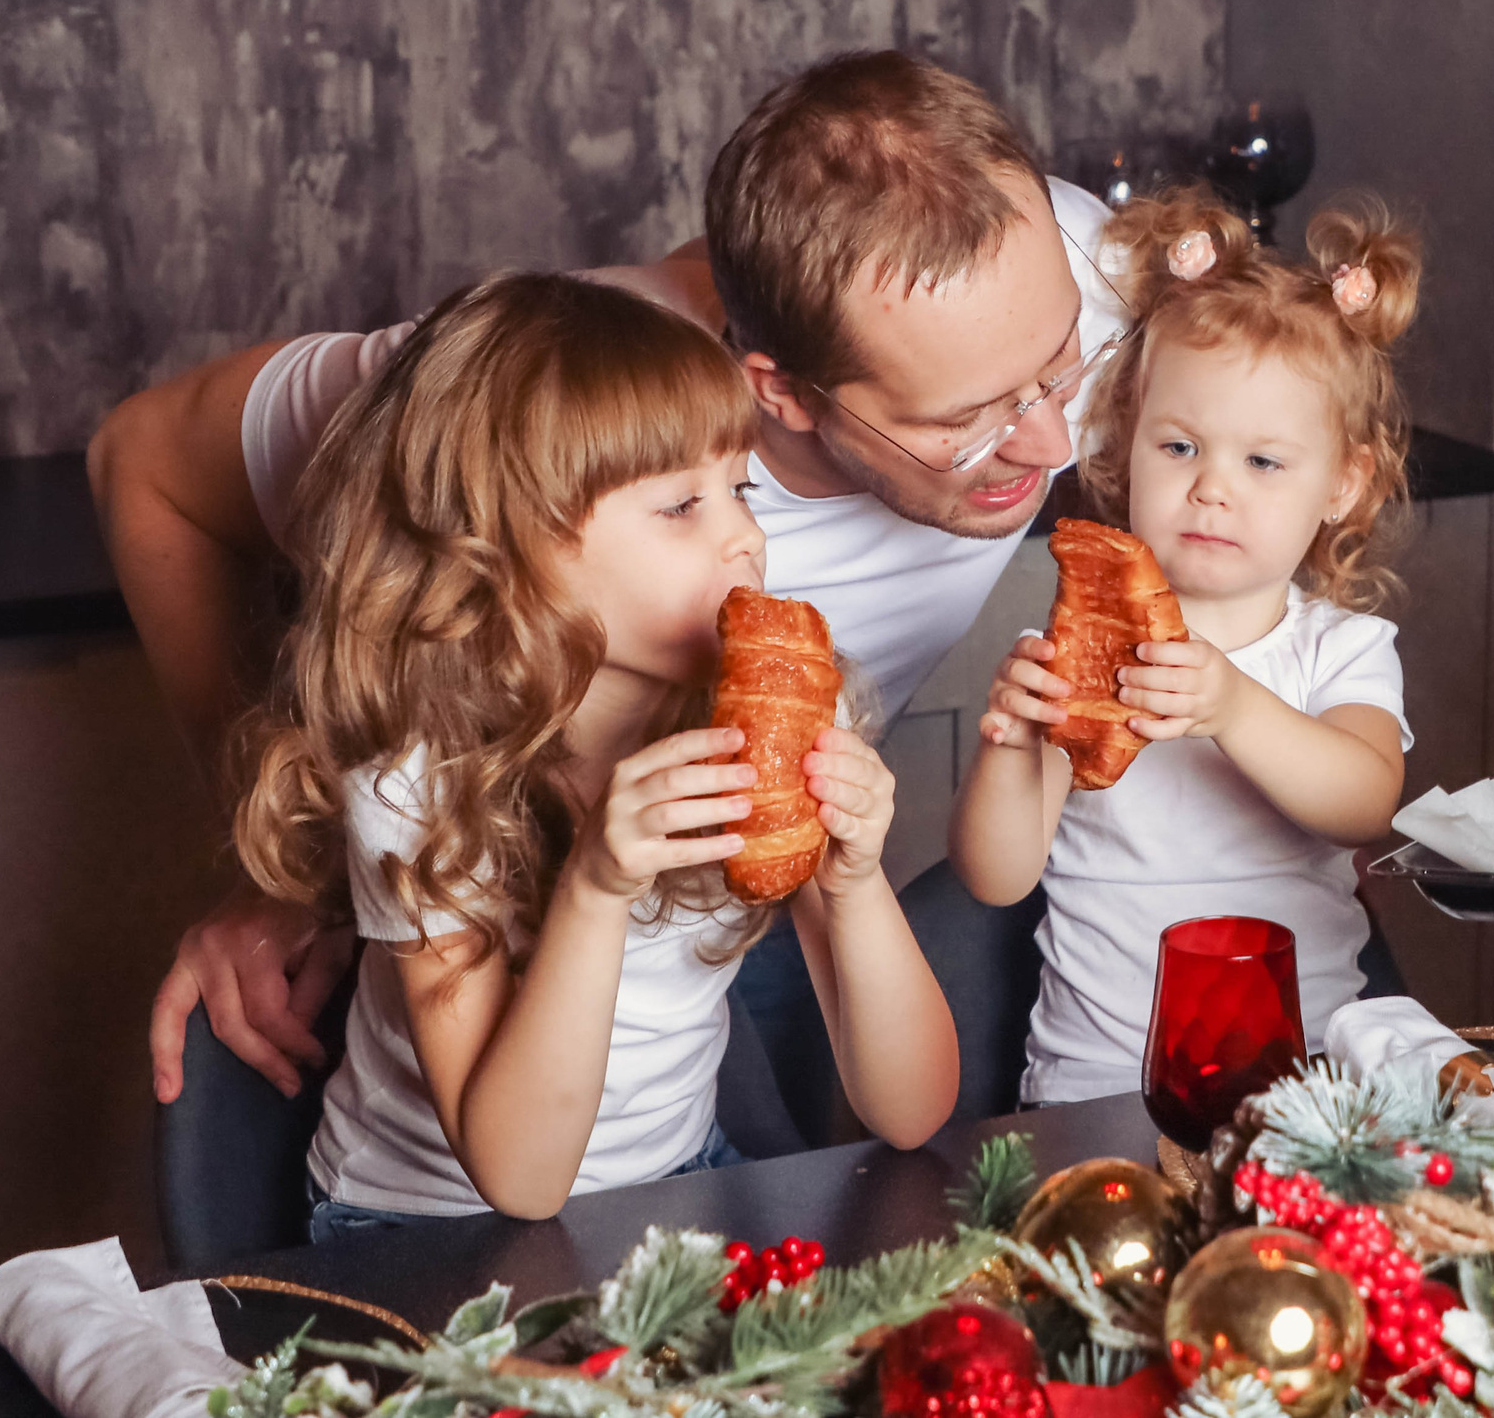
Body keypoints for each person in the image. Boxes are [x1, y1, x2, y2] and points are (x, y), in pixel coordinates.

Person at [91, 52, 1132, 1117]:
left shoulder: (1067, 262)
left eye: (1061, 364)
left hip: (761, 903)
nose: (1048, 443)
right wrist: (285, 866)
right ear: (781, 394)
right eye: (964, 421)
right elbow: (144, 463)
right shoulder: (532, 415)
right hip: (519, 933)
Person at [231, 273, 955, 1236]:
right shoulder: (416, 779)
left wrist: (857, 880)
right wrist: (595, 886)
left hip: (676, 1184)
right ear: (515, 548)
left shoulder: (764, 721)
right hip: (420, 1225)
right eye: (679, 507)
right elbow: (520, 1179)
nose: (745, 534)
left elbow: (912, 1111)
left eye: (740, 488)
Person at [950, 187, 1417, 1104]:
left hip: (1309, 1084)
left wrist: (1234, 707)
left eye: (1263, 461)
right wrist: (1015, 743)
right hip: (1096, 1088)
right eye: (1179, 448)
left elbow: (1365, 804)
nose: (1212, 488)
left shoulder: (1341, 650)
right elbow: (996, 877)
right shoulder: (1076, 651)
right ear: (1127, 451)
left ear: (1343, 485)